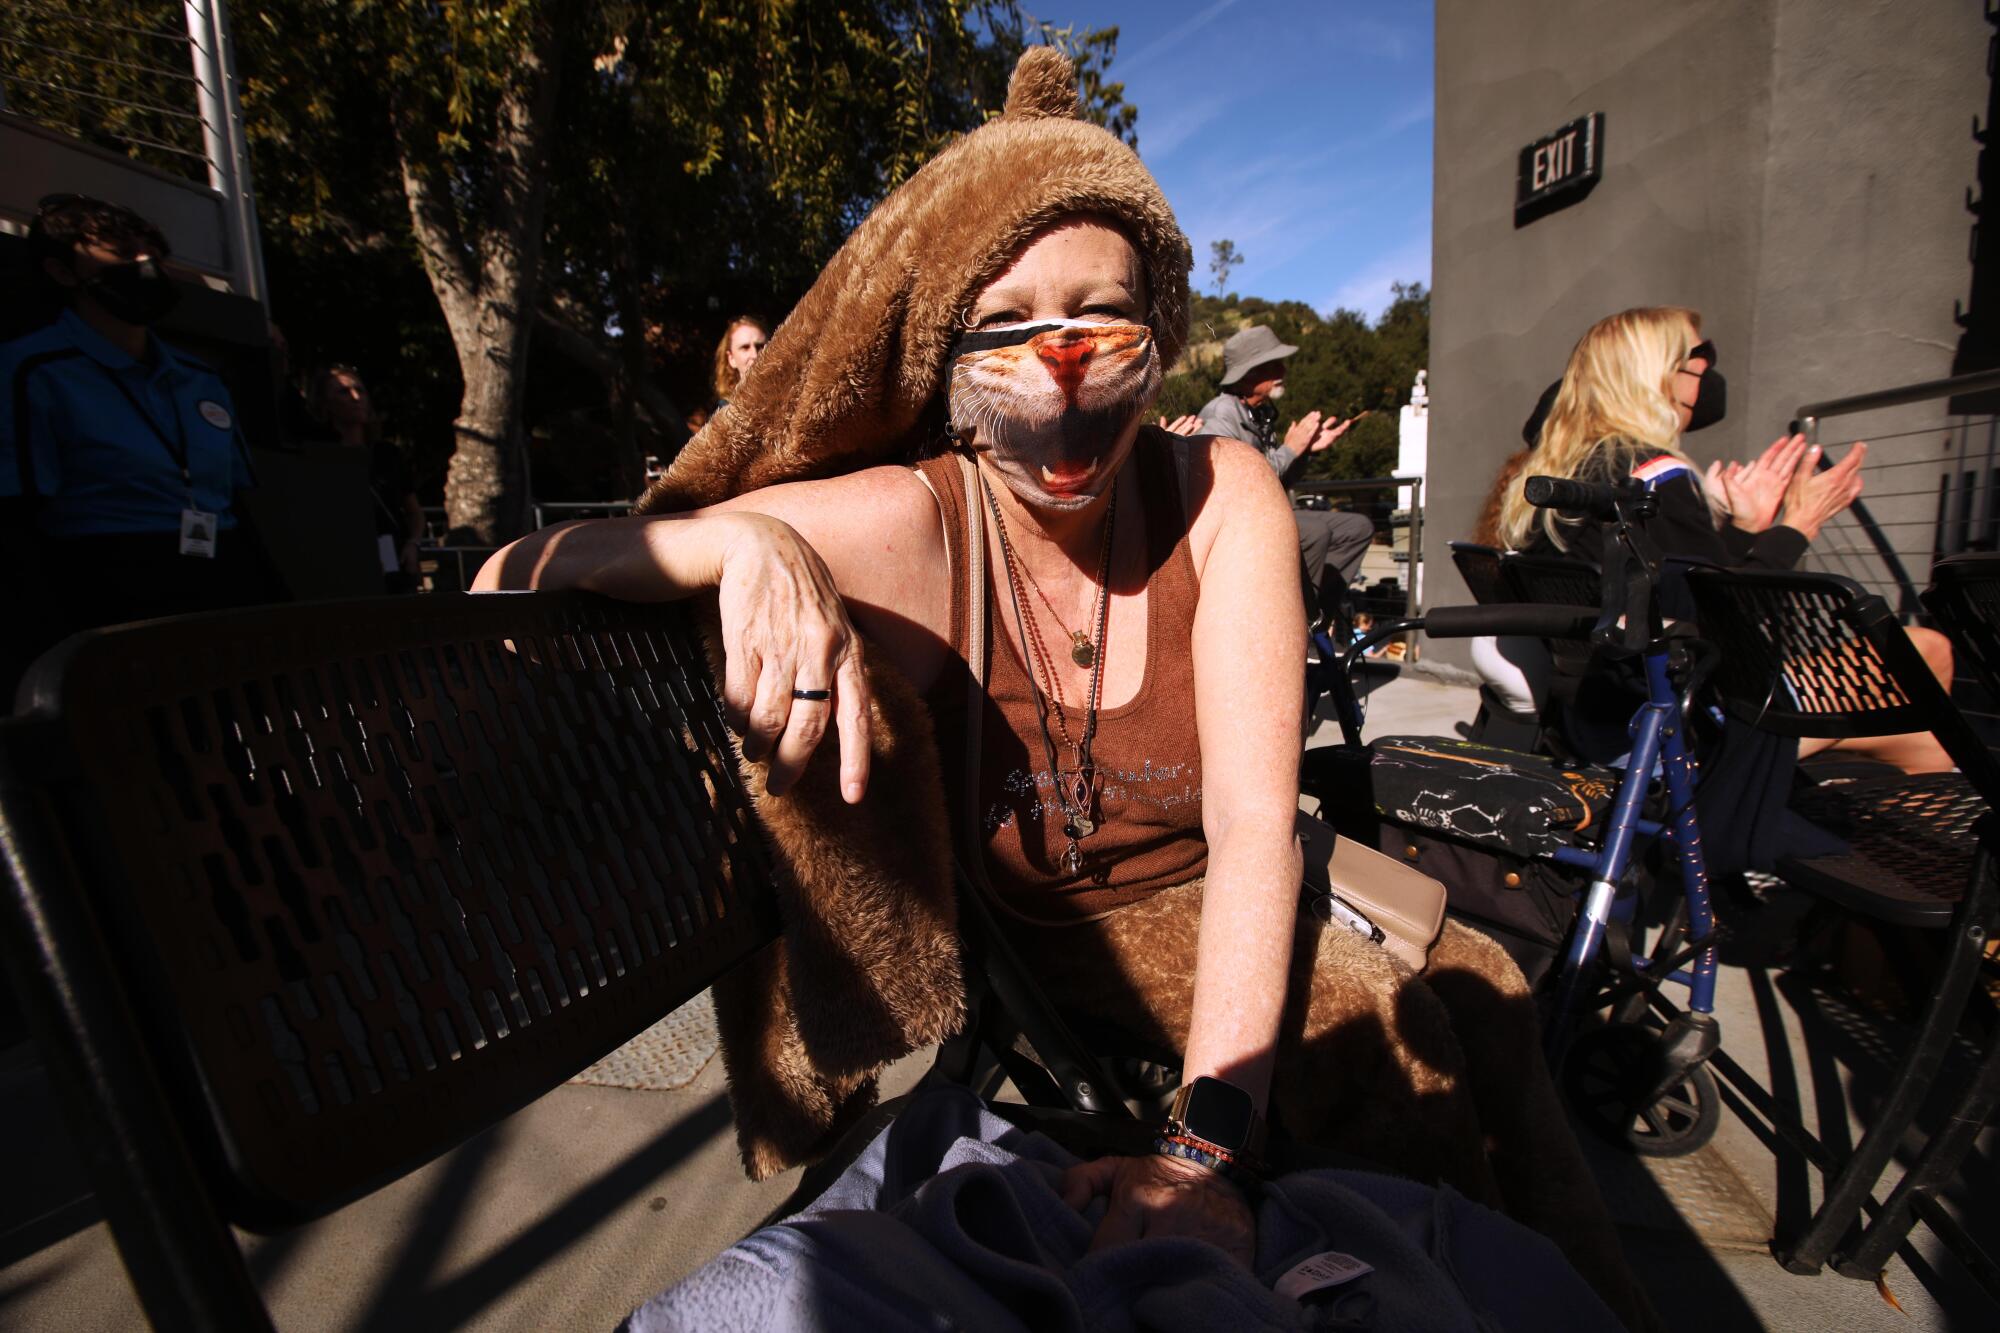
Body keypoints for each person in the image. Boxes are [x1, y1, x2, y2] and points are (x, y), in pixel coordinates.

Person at [477, 51, 1649, 1327]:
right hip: (1062, 932)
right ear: (942, 350)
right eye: (1013, 322)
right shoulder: (912, 523)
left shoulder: (1220, 492)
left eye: (1107, 309)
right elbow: (506, 575)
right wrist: (740, 545)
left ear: (1159, 322)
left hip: (1239, 877)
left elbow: (1256, 826)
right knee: (1369, 1041)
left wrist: (1196, 1154)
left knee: (1487, 994)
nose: (1068, 358)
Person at [1492, 305, 1953, 775]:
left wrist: (1745, 530)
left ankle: (1918, 824)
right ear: (1659, 375)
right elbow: (1732, 631)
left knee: (1912, 735)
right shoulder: (1653, 481)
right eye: (1697, 364)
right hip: (1678, 732)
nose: (1705, 381)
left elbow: (1682, 587)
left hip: (1596, 719)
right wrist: (1796, 527)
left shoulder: (1558, 479)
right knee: (1925, 650)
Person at [0, 194, 281, 695]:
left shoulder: (201, 380)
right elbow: (18, 521)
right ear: (63, 272)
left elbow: (234, 501)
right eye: (123, 252)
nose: (146, 265)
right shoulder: (30, 372)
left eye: (152, 252)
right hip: (109, 595)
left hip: (219, 583)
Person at [1194, 326, 1375, 620]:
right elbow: (1238, 483)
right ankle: (1292, 623)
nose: (1283, 370)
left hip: (1268, 511)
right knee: (1315, 533)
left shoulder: (1260, 414)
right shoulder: (1220, 416)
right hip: (1238, 521)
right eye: (1273, 365)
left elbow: (1281, 480)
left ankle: (1314, 619)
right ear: (1248, 373)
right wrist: (1290, 449)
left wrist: (1307, 451)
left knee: (1357, 529)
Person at [311, 364, 425, 592]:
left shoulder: (387, 454)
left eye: (359, 390)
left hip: (394, 558)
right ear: (325, 404)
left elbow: (414, 511)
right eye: (343, 392)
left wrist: (413, 544)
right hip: (345, 562)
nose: (355, 397)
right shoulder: (318, 457)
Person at [711, 315, 769, 411]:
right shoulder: (726, 416)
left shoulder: (792, 394)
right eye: (745, 348)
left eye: (760, 346)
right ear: (731, 359)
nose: (755, 354)